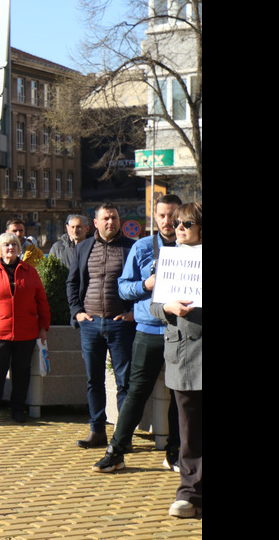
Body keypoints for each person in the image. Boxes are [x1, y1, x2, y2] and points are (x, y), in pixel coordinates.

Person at [93, 195, 183, 474]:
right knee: (136, 393)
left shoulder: (193, 250)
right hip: (149, 331)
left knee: (181, 394)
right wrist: (147, 283)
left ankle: (175, 452)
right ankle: (116, 451)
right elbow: (123, 288)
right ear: (155, 218)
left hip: (183, 333)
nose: (168, 222)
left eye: (173, 216)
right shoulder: (143, 247)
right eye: (162, 216)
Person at [66, 203, 136, 448]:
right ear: (95, 223)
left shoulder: (131, 247)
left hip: (121, 325)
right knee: (93, 381)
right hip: (91, 324)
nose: (110, 222)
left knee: (124, 382)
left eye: (114, 217)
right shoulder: (84, 247)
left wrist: (132, 313)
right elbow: (72, 283)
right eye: (105, 218)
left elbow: (140, 285)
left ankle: (123, 437)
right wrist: (77, 313)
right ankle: (97, 431)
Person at [150, 202, 202, 519]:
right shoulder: (168, 259)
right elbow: (154, 307)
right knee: (188, 429)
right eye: (177, 222)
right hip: (183, 354)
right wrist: (168, 306)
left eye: (186, 222)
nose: (178, 227)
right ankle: (189, 493)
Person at [0, 232, 50, 423]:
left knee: (21, 372)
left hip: (25, 331)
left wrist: (44, 326)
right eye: (7, 245)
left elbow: (41, 300)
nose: (11, 248)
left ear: (19, 249)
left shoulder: (30, 271)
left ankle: (17, 410)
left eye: (14, 245)